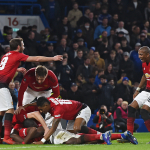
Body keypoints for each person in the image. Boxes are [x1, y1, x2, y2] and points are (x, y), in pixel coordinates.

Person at [0, 38, 62, 144]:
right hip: (2, 85)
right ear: (19, 47)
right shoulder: (17, 54)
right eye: (23, 44)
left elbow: (4, 68)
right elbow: (37, 59)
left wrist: (17, 69)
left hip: (2, 83)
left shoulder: (6, 55)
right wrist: (53, 58)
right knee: (10, 110)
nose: (24, 46)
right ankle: (6, 137)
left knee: (1, 112)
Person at [127, 46, 150, 135]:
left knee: (144, 111)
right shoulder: (144, 63)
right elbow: (145, 76)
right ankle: (129, 135)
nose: (139, 56)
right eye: (138, 54)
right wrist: (138, 90)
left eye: (141, 54)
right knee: (131, 107)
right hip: (147, 90)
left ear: (147, 55)